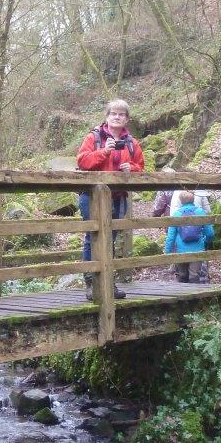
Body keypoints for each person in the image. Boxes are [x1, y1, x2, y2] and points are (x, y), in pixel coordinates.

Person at [75, 98, 144, 301]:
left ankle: (108, 281)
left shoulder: (131, 143)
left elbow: (141, 167)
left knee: (111, 238)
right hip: (92, 196)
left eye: (121, 114)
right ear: (106, 116)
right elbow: (83, 161)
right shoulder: (94, 137)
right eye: (113, 113)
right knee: (93, 236)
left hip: (117, 196)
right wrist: (104, 151)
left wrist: (131, 168)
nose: (117, 117)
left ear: (127, 119)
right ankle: (92, 282)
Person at [152, 165, 211, 281]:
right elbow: (208, 213)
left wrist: (167, 252)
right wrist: (206, 240)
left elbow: (171, 235)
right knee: (196, 273)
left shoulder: (175, 198)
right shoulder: (199, 193)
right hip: (198, 243)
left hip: (180, 244)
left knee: (182, 274)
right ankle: (198, 284)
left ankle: (181, 283)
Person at [164, 190, 215, 283]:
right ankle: (194, 291)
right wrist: (206, 242)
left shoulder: (176, 214)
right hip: (197, 249)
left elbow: (171, 237)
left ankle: (183, 291)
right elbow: (210, 233)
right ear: (193, 199)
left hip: (180, 250)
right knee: (194, 275)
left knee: (182, 275)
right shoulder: (200, 212)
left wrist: (167, 252)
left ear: (180, 201)